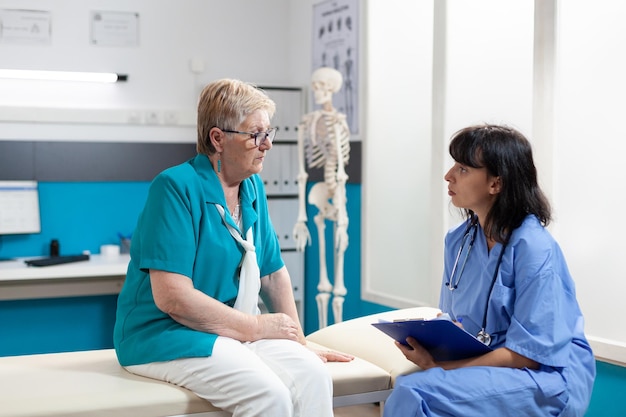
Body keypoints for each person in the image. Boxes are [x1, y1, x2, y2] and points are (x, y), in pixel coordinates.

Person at [113, 78, 353, 417]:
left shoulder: (251, 186)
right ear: (218, 139)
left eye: (269, 133)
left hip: (231, 331)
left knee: (313, 375)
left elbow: (271, 274)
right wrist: (257, 327)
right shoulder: (174, 187)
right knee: (269, 395)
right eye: (256, 134)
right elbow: (173, 298)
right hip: (165, 334)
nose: (267, 145)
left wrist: (299, 340)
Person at [383, 124, 595, 416]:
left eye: (463, 168)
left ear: (496, 183)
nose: (449, 176)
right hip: (487, 363)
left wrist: (443, 367)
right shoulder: (458, 241)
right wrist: (435, 343)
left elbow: (530, 355)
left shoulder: (534, 248)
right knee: (414, 386)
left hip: (543, 376)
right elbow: (455, 320)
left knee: (416, 392)